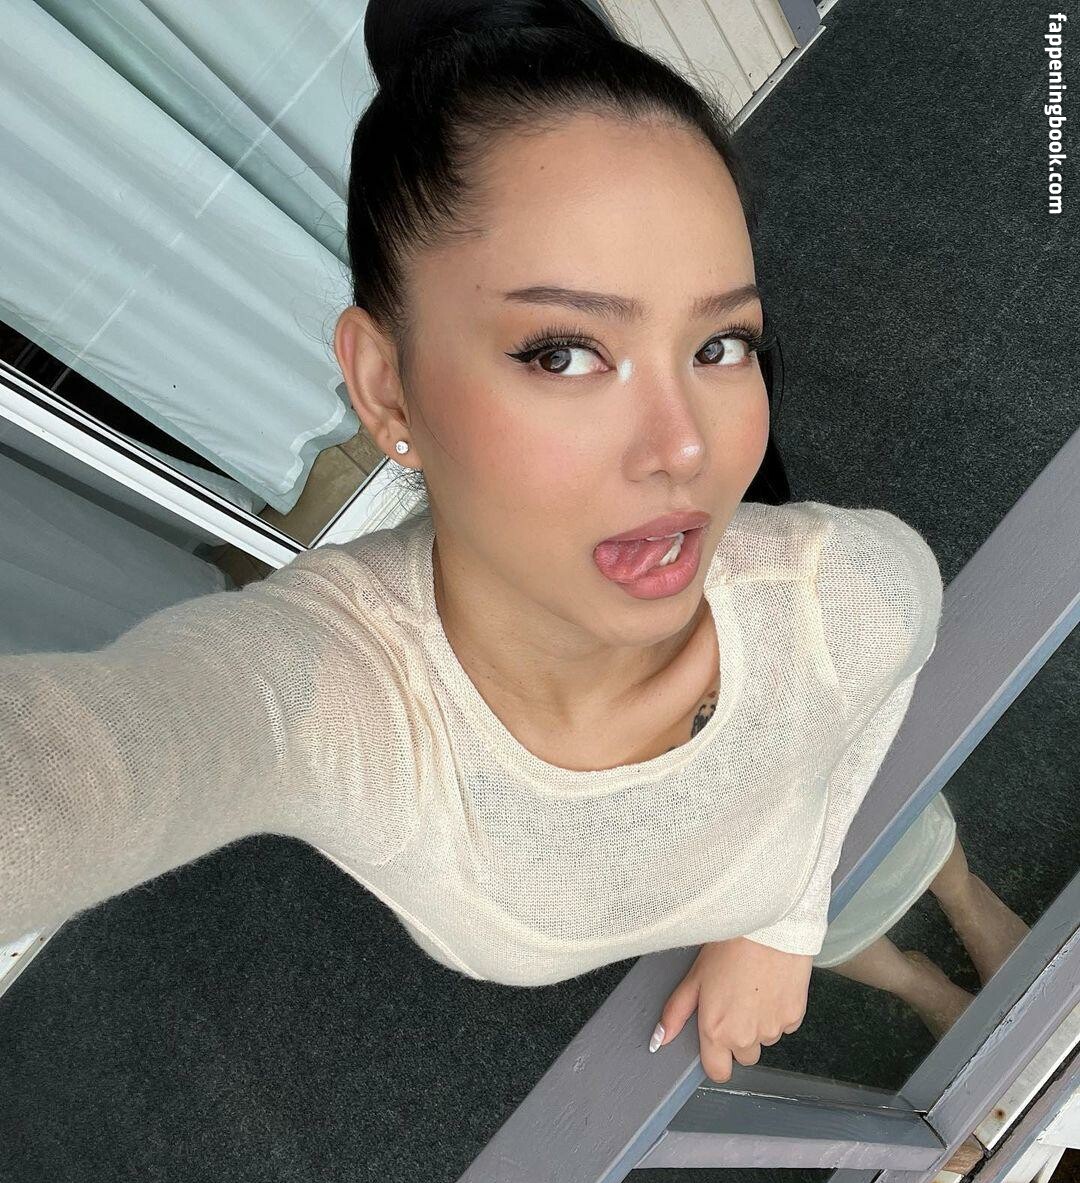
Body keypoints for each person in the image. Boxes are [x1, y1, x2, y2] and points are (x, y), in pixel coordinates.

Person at [1, 0, 964, 1086]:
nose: (686, 448)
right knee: (874, 941)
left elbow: (887, 662)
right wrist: (786, 925)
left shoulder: (840, 596)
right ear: (385, 386)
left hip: (825, 816)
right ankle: (918, 979)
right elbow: (84, 767)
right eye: (563, 353)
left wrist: (784, 918)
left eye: (721, 343)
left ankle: (967, 904)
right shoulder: (353, 708)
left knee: (913, 850)